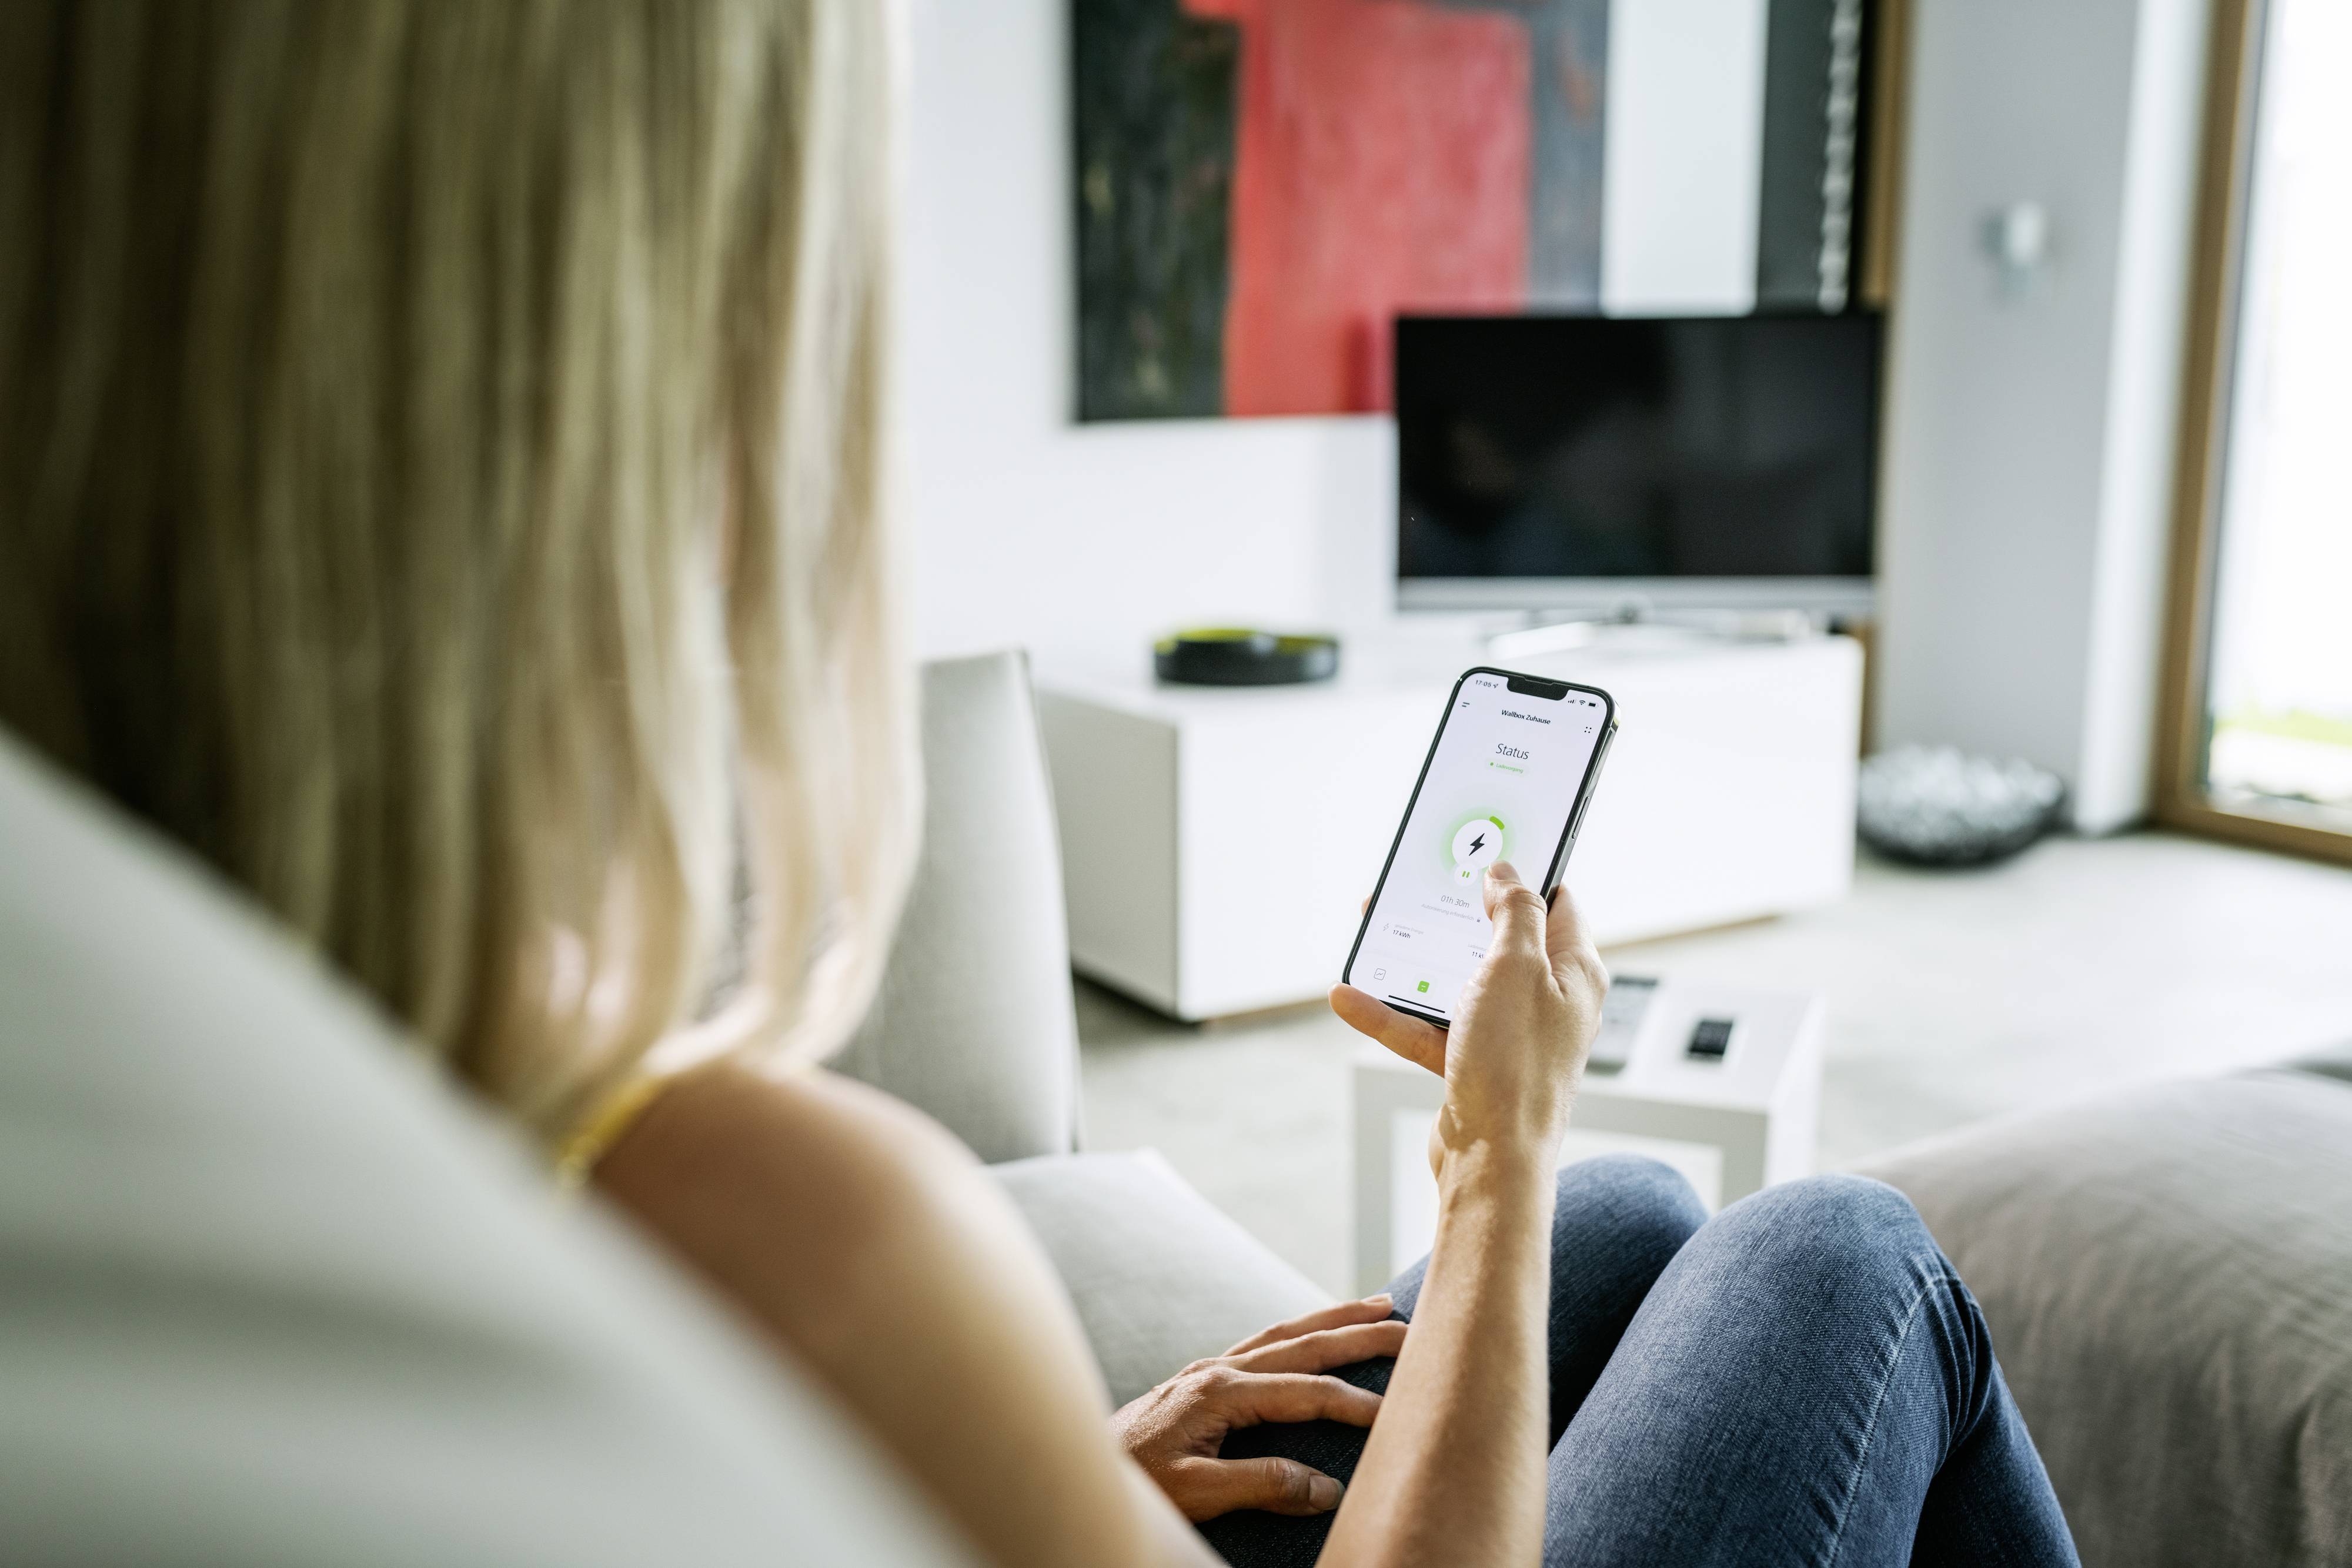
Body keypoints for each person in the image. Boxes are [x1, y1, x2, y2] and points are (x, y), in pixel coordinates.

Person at [0, 2, 2078, 1564]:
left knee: (1635, 1212)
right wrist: (1488, 1158)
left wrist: (1075, 1466)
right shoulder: (778, 1218)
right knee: (1831, 1255)